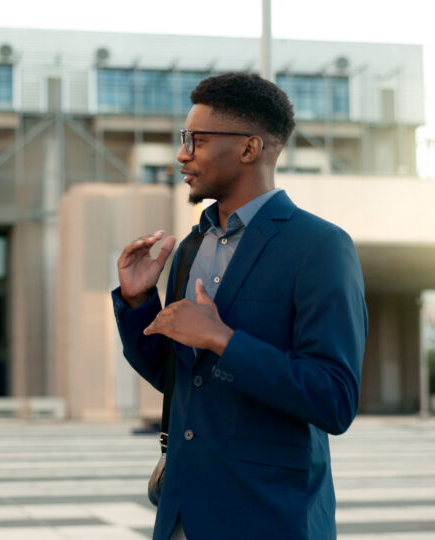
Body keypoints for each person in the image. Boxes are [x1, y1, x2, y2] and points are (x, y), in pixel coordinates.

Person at [112, 72, 367, 539]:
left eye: (197, 140)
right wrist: (137, 301)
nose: (181, 154)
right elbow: (180, 379)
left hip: (270, 517)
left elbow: (335, 399)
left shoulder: (321, 246)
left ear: (249, 149)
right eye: (183, 139)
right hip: (182, 517)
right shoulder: (191, 247)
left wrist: (222, 339)